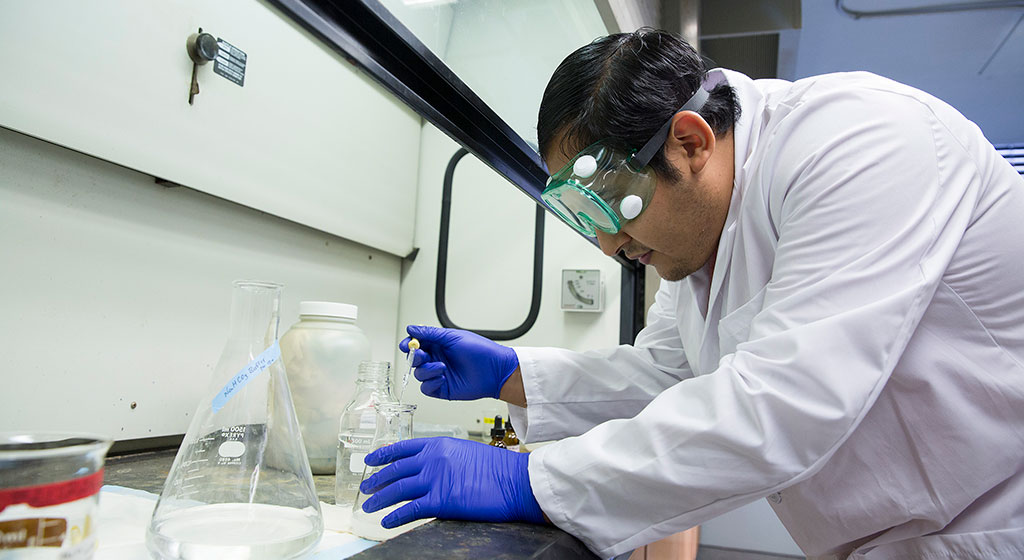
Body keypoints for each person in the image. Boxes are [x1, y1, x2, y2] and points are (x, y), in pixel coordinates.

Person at [357, 28, 1024, 559]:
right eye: (585, 219)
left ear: (690, 140)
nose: (610, 246)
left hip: (994, 526)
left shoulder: (861, 142)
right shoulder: (696, 241)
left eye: (613, 207)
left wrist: (527, 480)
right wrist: (513, 377)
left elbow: (786, 407)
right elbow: (670, 375)